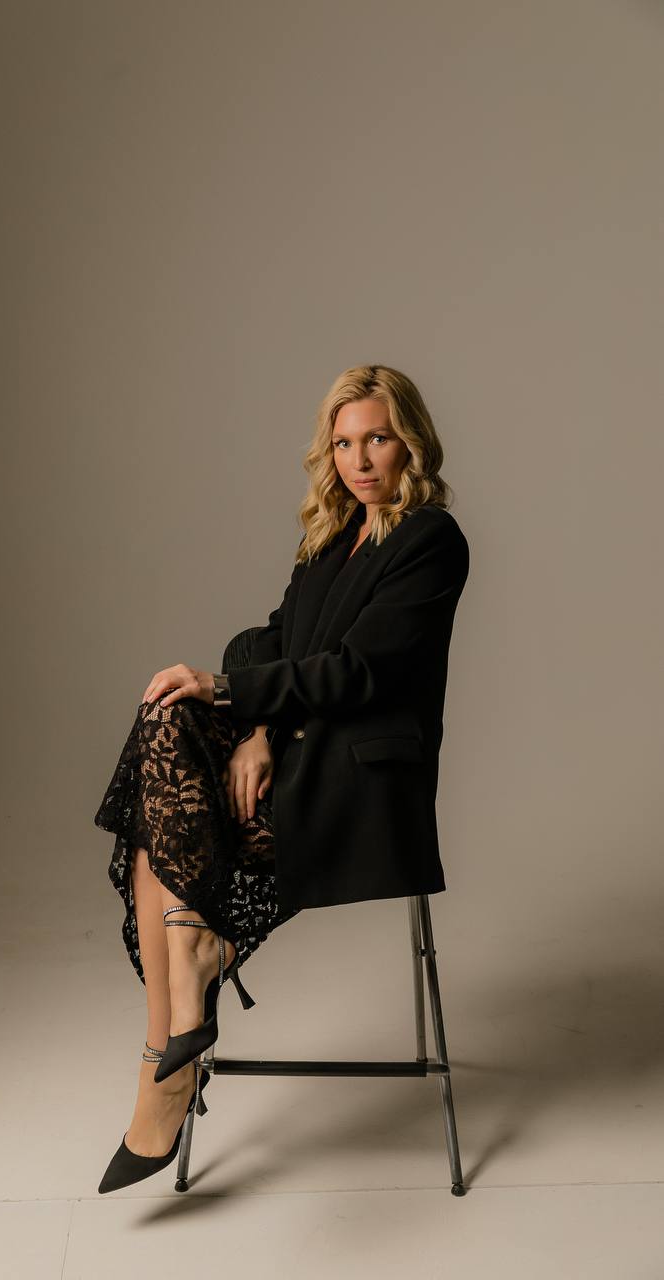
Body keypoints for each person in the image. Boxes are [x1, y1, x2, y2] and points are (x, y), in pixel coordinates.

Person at [94, 362, 470, 1193]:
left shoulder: (429, 540)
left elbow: (356, 672)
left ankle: (164, 1065)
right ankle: (187, 993)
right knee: (165, 722)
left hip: (360, 783)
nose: (358, 460)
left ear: (410, 442)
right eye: (343, 444)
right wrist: (257, 730)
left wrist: (233, 695)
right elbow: (269, 641)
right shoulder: (332, 540)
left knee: (163, 813)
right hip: (298, 751)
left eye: (376, 439)